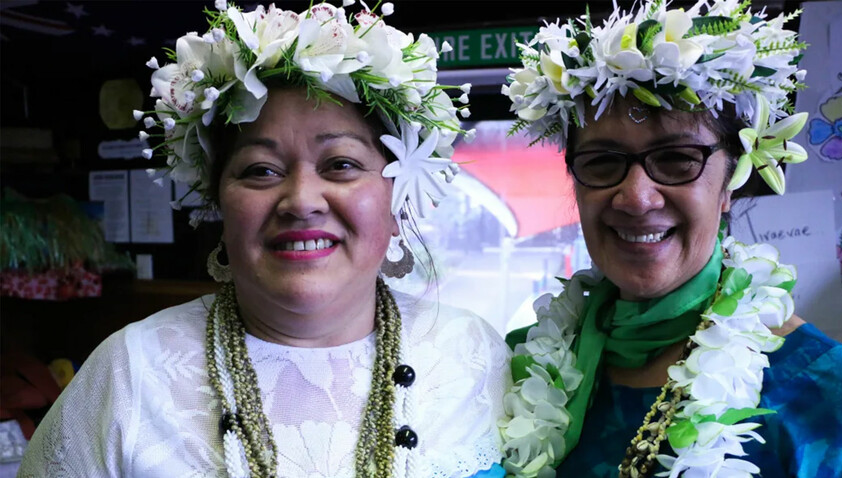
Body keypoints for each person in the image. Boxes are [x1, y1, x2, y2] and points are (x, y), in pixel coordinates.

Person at [18, 2, 509, 477]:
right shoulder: (130, 372)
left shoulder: (476, 355)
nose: (301, 200)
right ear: (219, 207)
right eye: (261, 170)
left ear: (398, 200)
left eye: (340, 164)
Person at [498, 1, 842, 477]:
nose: (637, 198)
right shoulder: (514, 368)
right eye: (602, 162)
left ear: (731, 181)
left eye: (678, 159)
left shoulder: (825, 392)